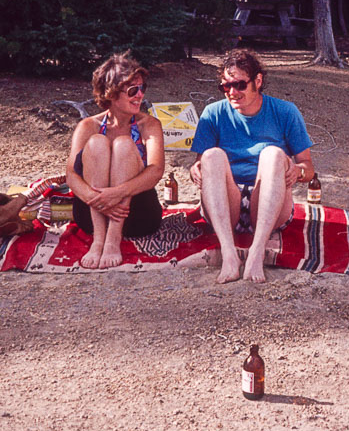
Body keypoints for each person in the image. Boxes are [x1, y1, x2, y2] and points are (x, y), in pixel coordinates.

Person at [189, 49, 315, 284]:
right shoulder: (213, 113)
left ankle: (256, 252)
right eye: (225, 87)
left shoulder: (285, 112)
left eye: (239, 85)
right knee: (212, 155)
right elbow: (200, 162)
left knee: (274, 154)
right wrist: (197, 168)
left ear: (258, 81)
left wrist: (298, 171)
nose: (232, 93)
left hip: (270, 198)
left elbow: (308, 168)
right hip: (227, 201)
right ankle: (229, 255)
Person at [66, 52, 165, 269]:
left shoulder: (149, 125)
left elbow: (156, 170)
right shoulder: (88, 126)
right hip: (94, 214)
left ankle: (113, 239)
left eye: (142, 89)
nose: (139, 95)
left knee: (123, 145)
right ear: (110, 93)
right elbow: (71, 175)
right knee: (97, 143)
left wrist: (117, 193)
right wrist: (97, 198)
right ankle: (99, 240)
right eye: (132, 90)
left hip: (136, 213)